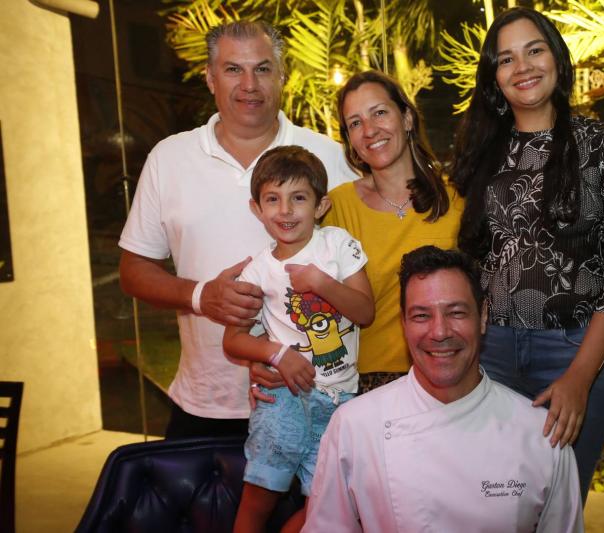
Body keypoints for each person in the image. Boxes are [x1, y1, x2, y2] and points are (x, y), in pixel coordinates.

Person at [118, 20, 358, 439]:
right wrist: (201, 296)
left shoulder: (329, 157)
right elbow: (133, 270)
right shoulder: (169, 158)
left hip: (315, 403)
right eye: (233, 69)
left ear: (281, 76)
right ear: (211, 78)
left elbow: (361, 277)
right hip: (204, 404)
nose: (250, 84)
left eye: (262, 69)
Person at [451, 7, 604, 503]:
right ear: (494, 77)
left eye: (534, 50)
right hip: (491, 354)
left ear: (557, 58)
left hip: (574, 350)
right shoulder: (483, 151)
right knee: (494, 505)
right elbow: (472, 253)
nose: (522, 67)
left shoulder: (602, 143)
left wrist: (580, 376)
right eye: (506, 59)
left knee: (559, 507)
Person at [302, 246, 584, 533]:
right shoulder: (354, 425)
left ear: (483, 316)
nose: (440, 332)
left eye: (456, 312)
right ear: (404, 324)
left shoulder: (540, 435)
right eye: (421, 316)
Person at [221, 146, 373, 533]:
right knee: (259, 495)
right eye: (273, 199)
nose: (285, 210)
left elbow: (365, 312)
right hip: (284, 398)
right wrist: (277, 354)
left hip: (340, 402)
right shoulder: (257, 270)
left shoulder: (338, 244)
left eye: (299, 198)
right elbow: (233, 341)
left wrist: (320, 281)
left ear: (321, 206)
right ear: (256, 209)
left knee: (326, 506)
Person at [323, 71, 464, 392]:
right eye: (355, 123)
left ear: (407, 118)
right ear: (349, 140)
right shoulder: (336, 208)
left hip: (448, 378)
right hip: (365, 385)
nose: (370, 130)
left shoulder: (456, 201)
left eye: (379, 113)